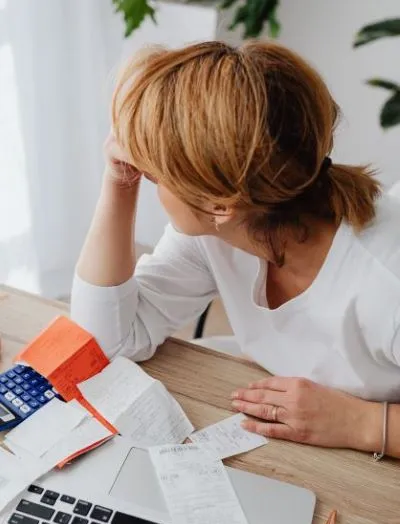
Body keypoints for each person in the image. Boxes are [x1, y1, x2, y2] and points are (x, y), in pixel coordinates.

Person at [71, 40, 400, 459]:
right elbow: (106, 342)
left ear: (220, 202)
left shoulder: (386, 283)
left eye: (156, 173)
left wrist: (364, 423)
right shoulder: (217, 232)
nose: (147, 177)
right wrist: (118, 184)